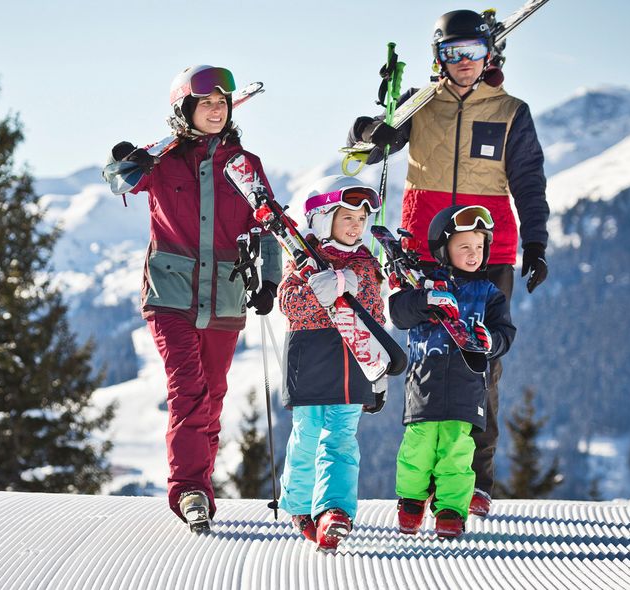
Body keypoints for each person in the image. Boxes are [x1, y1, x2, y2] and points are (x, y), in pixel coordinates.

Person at [347, 9, 549, 516]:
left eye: (474, 53)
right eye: (452, 53)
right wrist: (372, 126)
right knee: (426, 360)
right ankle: (424, 478)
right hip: (422, 249)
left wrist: (537, 243)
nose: (463, 63)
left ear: (490, 57)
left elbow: (528, 181)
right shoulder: (421, 103)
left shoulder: (510, 111)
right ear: (438, 58)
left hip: (487, 251)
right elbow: (368, 151)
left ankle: (473, 481)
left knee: (482, 364)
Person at [102, 65, 281, 533]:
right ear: (185, 109)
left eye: (222, 103)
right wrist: (123, 159)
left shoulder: (246, 165)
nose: (216, 110)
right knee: (189, 389)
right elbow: (120, 180)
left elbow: (267, 226)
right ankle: (190, 491)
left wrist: (270, 281)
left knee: (214, 395)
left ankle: (199, 483)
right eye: (206, 103)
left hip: (225, 295)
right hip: (170, 293)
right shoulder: (161, 162)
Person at [387, 205, 515, 538]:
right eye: (464, 247)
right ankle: (412, 501)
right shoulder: (424, 284)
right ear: (445, 249)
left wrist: (491, 340)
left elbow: (505, 333)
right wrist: (425, 300)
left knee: (457, 450)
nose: (474, 254)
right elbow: (399, 313)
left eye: (479, 247)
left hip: (467, 385)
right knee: (418, 446)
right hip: (423, 384)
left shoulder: (489, 294)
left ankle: (451, 509)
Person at [276, 175, 386, 553]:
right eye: (347, 218)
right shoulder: (302, 259)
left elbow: (375, 314)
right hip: (310, 361)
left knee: (340, 439)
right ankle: (300, 506)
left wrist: (380, 372)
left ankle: (335, 510)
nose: (356, 227)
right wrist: (321, 289)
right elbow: (291, 306)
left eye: (361, 219)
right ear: (323, 219)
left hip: (354, 366)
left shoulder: (367, 263)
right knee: (307, 435)